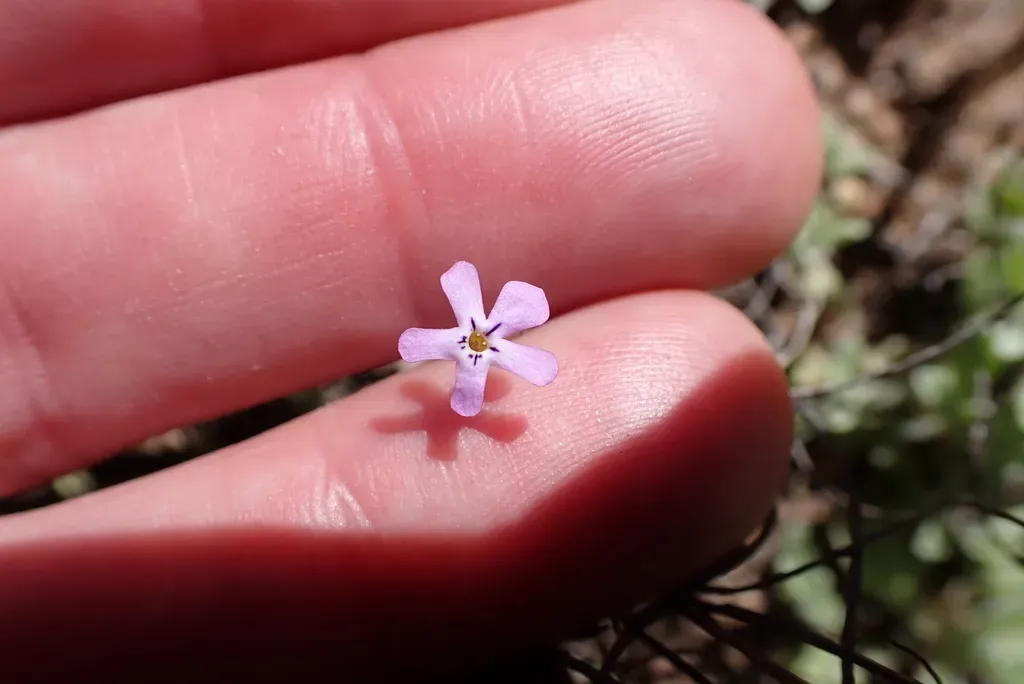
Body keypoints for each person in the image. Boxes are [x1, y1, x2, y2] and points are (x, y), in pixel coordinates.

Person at [0, 0, 822, 680]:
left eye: (480, 341)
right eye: (474, 341)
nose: (476, 344)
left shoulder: (489, 340)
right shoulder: (464, 340)